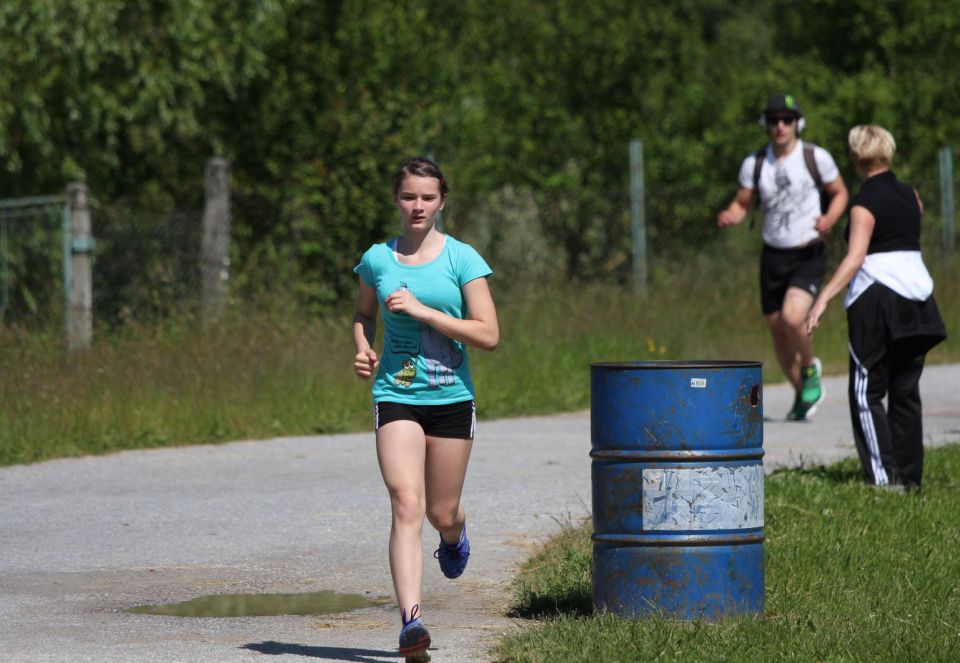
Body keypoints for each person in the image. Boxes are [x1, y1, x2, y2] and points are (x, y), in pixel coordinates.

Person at [352, 156, 499, 661]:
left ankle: (455, 536)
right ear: (397, 199)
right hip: (396, 394)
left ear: (441, 201)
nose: (418, 206)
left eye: (427, 197)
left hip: (452, 399)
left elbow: (489, 334)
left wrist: (424, 311)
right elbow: (362, 313)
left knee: (439, 511)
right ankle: (411, 624)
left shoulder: (462, 259)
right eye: (409, 196)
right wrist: (362, 346)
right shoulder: (377, 259)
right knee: (406, 503)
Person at [805, 125, 946, 491]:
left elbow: (856, 258)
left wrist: (822, 299)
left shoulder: (863, 203)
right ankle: (910, 479)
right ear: (889, 152)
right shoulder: (911, 196)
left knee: (865, 392)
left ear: (855, 158)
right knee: (905, 391)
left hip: (877, 301)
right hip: (918, 300)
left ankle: (884, 480)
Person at [718, 93, 849, 420]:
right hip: (773, 255)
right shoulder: (756, 163)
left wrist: (830, 219)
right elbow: (743, 202)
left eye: (786, 119)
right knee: (777, 329)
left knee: (793, 317)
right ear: (766, 124)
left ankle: (809, 371)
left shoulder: (814, 157)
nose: (780, 125)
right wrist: (733, 214)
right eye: (774, 119)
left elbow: (840, 192)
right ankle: (802, 394)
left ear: (797, 123)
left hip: (807, 252)